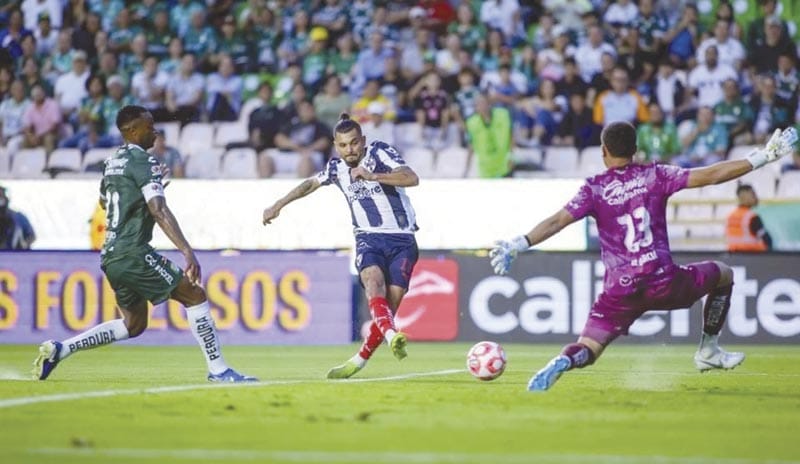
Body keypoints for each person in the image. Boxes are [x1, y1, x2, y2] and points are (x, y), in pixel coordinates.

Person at [489, 122, 797, 392]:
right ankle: (709, 350)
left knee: (589, 347)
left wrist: (519, 243)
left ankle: (565, 360)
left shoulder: (594, 189)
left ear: (603, 151)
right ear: (635, 150)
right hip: (663, 281)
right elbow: (711, 175)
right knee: (724, 274)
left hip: (620, 292)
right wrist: (762, 157)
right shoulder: (655, 175)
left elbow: (558, 221)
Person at [33, 105, 256, 383]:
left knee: (134, 325)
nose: (155, 132)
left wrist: (148, 186)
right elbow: (158, 210)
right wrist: (186, 250)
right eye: (149, 127)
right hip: (133, 252)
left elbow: (105, 202)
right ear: (133, 130)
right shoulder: (144, 161)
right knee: (194, 295)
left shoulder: (112, 162)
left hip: (111, 255)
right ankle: (219, 370)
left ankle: (61, 350)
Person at [262, 113, 419, 379]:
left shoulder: (379, 152)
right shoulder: (336, 168)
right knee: (372, 282)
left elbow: (411, 178)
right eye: (344, 145)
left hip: (402, 239)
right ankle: (392, 336)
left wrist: (373, 176)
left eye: (354, 143)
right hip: (368, 238)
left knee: (388, 311)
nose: (350, 150)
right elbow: (310, 184)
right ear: (336, 146)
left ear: (363, 141)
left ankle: (360, 359)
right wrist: (278, 204)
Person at [726, 184, 772, 252]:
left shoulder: (730, 217)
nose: (756, 198)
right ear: (745, 196)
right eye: (753, 194)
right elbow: (767, 240)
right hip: (750, 255)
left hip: (733, 255)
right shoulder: (752, 217)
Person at [0, 185, 36, 250]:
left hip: (14, 253)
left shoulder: (18, 217)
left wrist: (24, 244)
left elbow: (31, 236)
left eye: (1, 197)